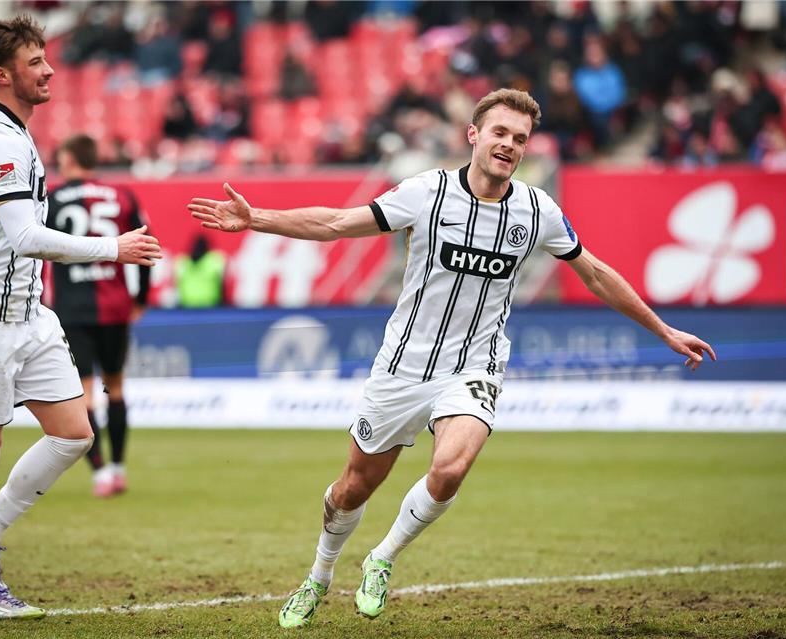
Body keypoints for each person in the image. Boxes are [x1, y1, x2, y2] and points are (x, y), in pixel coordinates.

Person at [188, 88, 716, 628]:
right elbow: (336, 224)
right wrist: (257, 220)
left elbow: (596, 274)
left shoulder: (538, 210)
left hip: (475, 367)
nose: (509, 145)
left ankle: (382, 557)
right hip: (401, 367)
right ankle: (319, 576)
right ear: (474, 135)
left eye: (520, 139)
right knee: (352, 488)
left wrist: (664, 329)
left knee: (451, 467)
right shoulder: (427, 193)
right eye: (500, 133)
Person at [0, 15, 161, 621]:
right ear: (3, 75)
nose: (50, 70)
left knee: (75, 434)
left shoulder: (8, 132)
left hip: (30, 314)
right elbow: (25, 236)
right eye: (36, 61)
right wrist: (114, 248)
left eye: (47, 58)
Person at [47, 134, 151, 497]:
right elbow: (146, 243)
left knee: (85, 394)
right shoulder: (122, 195)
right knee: (117, 387)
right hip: (115, 304)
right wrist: (141, 296)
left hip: (72, 309)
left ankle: (101, 473)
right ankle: (120, 469)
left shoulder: (52, 199)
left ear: (70, 157)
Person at [175, 234, 225, 308]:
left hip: (187, 306)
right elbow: (222, 283)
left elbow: (176, 284)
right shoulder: (215, 259)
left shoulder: (182, 262)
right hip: (210, 305)